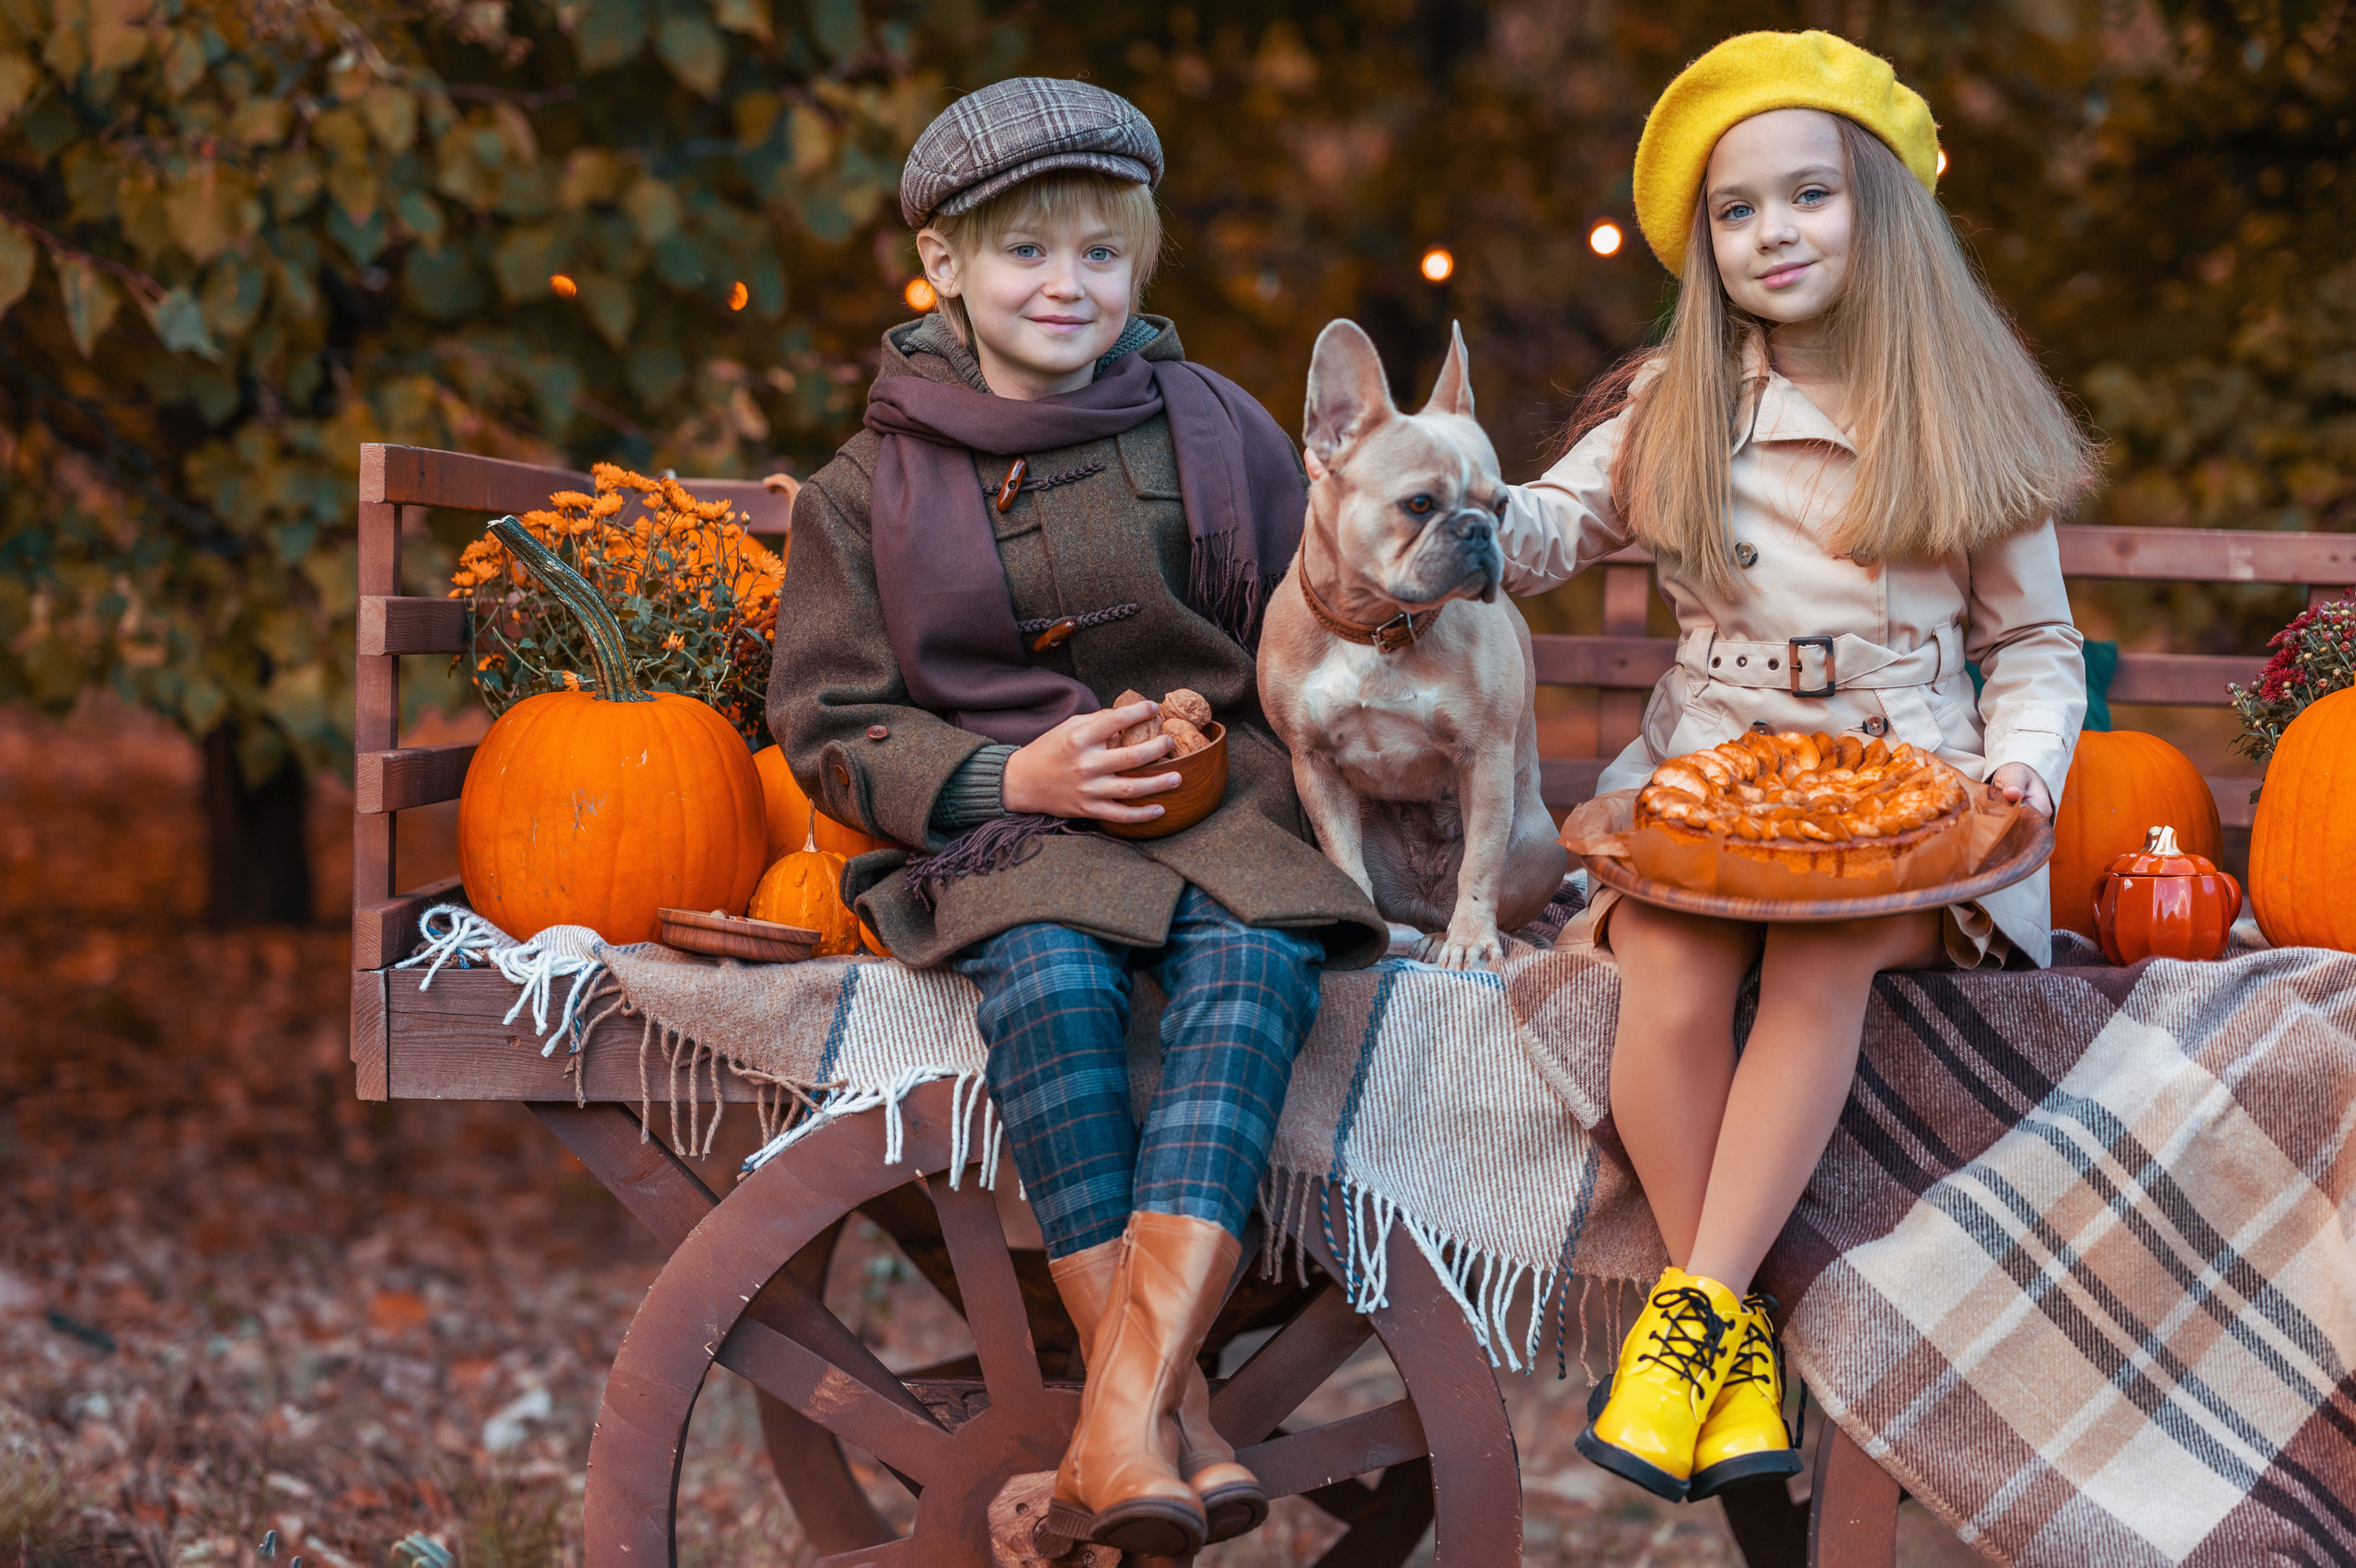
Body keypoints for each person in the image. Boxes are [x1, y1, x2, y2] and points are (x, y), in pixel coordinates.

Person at [765, 78, 1385, 1559]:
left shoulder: (1214, 430)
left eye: (1100, 255)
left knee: (1257, 964)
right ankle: (1176, 1422)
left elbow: (1317, 616)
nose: (1066, 284)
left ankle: (1121, 1424)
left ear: (1137, 267)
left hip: (1219, 803)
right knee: (1049, 976)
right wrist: (1009, 779)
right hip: (1009, 836)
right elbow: (829, 723)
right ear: (945, 268)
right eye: (1027, 253)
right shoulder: (869, 486)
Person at [1496, 32, 2094, 1504]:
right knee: (1678, 967)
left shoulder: (1963, 404)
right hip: (1710, 777)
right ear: (1705, 244)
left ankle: (1689, 1317)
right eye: (1737, 210)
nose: (1772, 235)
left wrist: (2023, 776)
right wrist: (1445, 515)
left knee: (1823, 966)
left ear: (1879, 210)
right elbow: (1539, 531)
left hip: (1911, 800)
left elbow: (2039, 648)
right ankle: (1741, 1344)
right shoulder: (1675, 404)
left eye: (1808, 197)